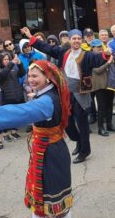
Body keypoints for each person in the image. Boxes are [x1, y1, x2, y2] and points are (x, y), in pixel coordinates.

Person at [0, 60, 77, 218]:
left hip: (49, 153)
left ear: (48, 78)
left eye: (35, 76)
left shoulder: (47, 101)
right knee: (52, 196)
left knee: (50, 196)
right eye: (29, 75)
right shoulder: (52, 93)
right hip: (51, 148)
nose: (31, 79)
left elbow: (24, 111)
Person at [24, 27, 110, 164]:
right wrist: (31, 37)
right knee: (67, 123)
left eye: (78, 38)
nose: (76, 41)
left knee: (82, 124)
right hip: (65, 93)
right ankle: (78, 141)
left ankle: (84, 150)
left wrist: (106, 54)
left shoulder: (86, 54)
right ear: (69, 40)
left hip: (80, 93)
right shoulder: (64, 52)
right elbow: (47, 48)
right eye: (74, 38)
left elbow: (98, 59)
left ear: (81, 40)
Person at [89, 39, 115, 136]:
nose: (100, 49)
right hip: (100, 85)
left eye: (101, 47)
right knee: (101, 107)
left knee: (109, 105)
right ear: (92, 48)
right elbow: (96, 71)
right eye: (97, 47)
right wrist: (108, 63)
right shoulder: (91, 57)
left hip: (109, 84)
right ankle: (100, 128)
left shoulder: (105, 55)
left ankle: (109, 125)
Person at [0, 52, 26, 141]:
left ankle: (14, 131)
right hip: (6, 96)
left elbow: (22, 73)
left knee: (15, 114)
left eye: (8, 59)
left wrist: (19, 64)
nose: (7, 61)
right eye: (5, 59)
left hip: (16, 94)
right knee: (6, 116)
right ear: (0, 61)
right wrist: (11, 63)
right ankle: (5, 133)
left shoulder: (14, 67)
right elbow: (3, 75)